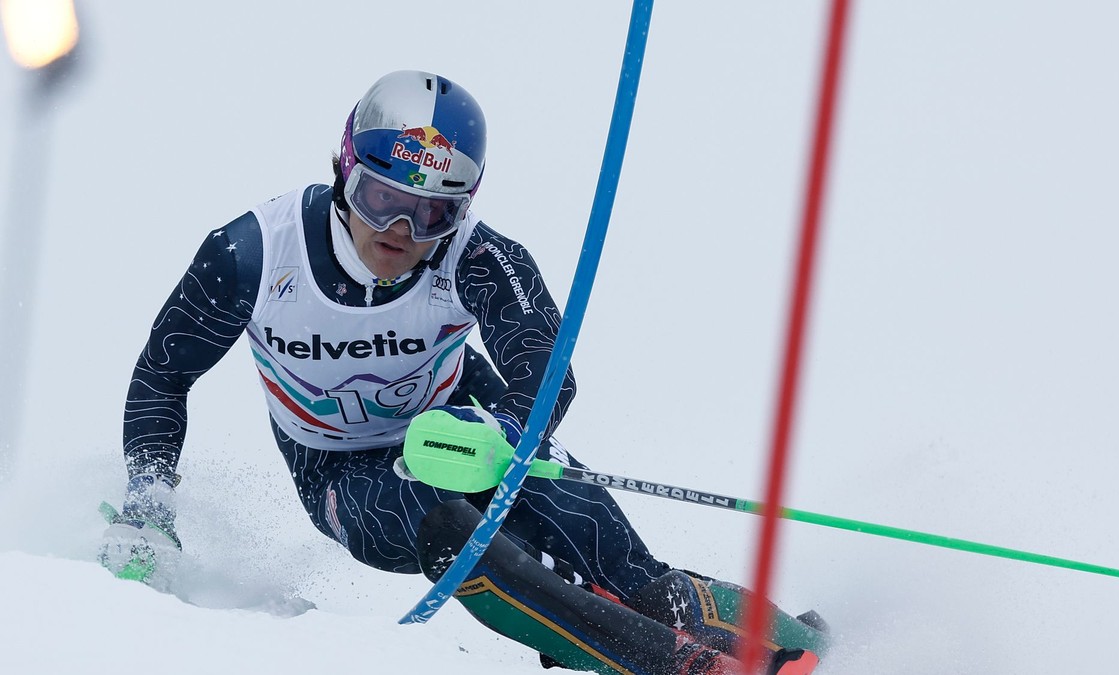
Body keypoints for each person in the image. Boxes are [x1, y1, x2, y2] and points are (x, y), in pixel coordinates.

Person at [98, 70, 828, 675]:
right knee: (453, 523)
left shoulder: (475, 254)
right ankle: (669, 665)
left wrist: (507, 424)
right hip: (342, 469)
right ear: (347, 170)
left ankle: (809, 645)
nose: (402, 233)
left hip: (465, 418)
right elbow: (163, 373)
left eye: (433, 213)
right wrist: (149, 497)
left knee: (620, 560)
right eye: (384, 200)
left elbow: (545, 361)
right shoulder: (253, 253)